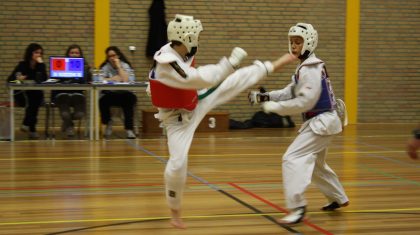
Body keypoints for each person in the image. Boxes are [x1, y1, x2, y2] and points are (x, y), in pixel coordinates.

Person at [148, 14, 297, 229]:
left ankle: (274, 65)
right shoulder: (167, 63)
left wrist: (231, 70)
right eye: (196, 35)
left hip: (196, 99)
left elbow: (201, 82)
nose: (198, 39)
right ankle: (175, 211)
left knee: (233, 83)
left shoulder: (181, 51)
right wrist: (230, 63)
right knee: (178, 163)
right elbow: (202, 77)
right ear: (187, 37)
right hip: (176, 120)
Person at [250, 23, 349, 225]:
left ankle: (298, 208)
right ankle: (338, 197)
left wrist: (275, 108)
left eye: (298, 42)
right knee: (317, 166)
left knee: (292, 158)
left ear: (309, 42)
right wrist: (264, 97)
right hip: (322, 122)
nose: (294, 46)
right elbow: (290, 91)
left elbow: (305, 101)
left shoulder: (311, 68)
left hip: (321, 122)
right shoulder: (305, 66)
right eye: (292, 42)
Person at [7, 43, 47, 139]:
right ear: (30, 53)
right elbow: (10, 79)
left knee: (36, 97)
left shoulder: (40, 66)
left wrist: (41, 64)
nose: (38, 55)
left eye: (40, 53)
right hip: (22, 94)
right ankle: (32, 129)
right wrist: (18, 79)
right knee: (34, 100)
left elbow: (44, 79)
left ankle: (26, 123)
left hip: (35, 94)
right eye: (36, 52)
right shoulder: (22, 65)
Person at [51, 44, 92, 137]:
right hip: (62, 95)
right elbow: (53, 80)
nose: (74, 54)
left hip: (78, 95)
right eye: (72, 52)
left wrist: (86, 70)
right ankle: (69, 127)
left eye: (76, 53)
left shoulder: (85, 66)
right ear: (68, 54)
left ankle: (66, 123)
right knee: (65, 114)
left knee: (80, 114)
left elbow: (89, 81)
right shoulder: (60, 64)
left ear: (80, 55)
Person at [99, 46, 137, 139]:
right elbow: (99, 80)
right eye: (109, 56)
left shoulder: (125, 65)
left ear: (118, 55)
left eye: (114, 55)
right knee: (102, 100)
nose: (112, 58)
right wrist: (113, 79)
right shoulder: (105, 67)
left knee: (130, 98)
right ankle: (108, 123)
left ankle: (129, 129)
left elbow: (127, 80)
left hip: (124, 94)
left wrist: (119, 67)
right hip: (110, 94)